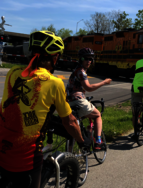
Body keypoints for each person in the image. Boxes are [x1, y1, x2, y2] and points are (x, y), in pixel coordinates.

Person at [0, 30, 91, 188]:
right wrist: (82, 141)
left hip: (2, 148)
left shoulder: (13, 72)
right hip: (25, 159)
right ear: (54, 57)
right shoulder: (54, 83)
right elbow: (69, 121)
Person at [66, 47, 112, 150]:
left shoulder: (76, 70)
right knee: (97, 115)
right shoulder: (81, 71)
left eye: (90, 59)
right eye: (85, 59)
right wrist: (104, 82)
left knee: (77, 124)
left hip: (70, 101)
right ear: (80, 59)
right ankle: (98, 142)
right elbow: (88, 87)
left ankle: (71, 150)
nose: (88, 61)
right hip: (78, 101)